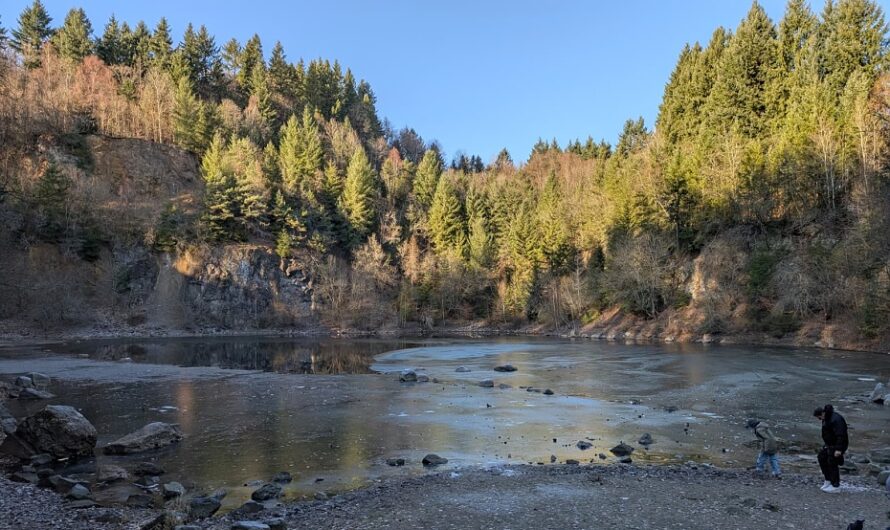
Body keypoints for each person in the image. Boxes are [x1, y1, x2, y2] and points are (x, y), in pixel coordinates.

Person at [813, 404, 848, 493]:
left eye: (819, 417)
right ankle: (828, 480)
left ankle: (835, 486)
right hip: (829, 444)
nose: (819, 419)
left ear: (823, 413)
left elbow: (841, 435)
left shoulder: (836, 419)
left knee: (832, 462)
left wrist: (839, 449)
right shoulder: (826, 418)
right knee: (821, 457)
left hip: (837, 445)